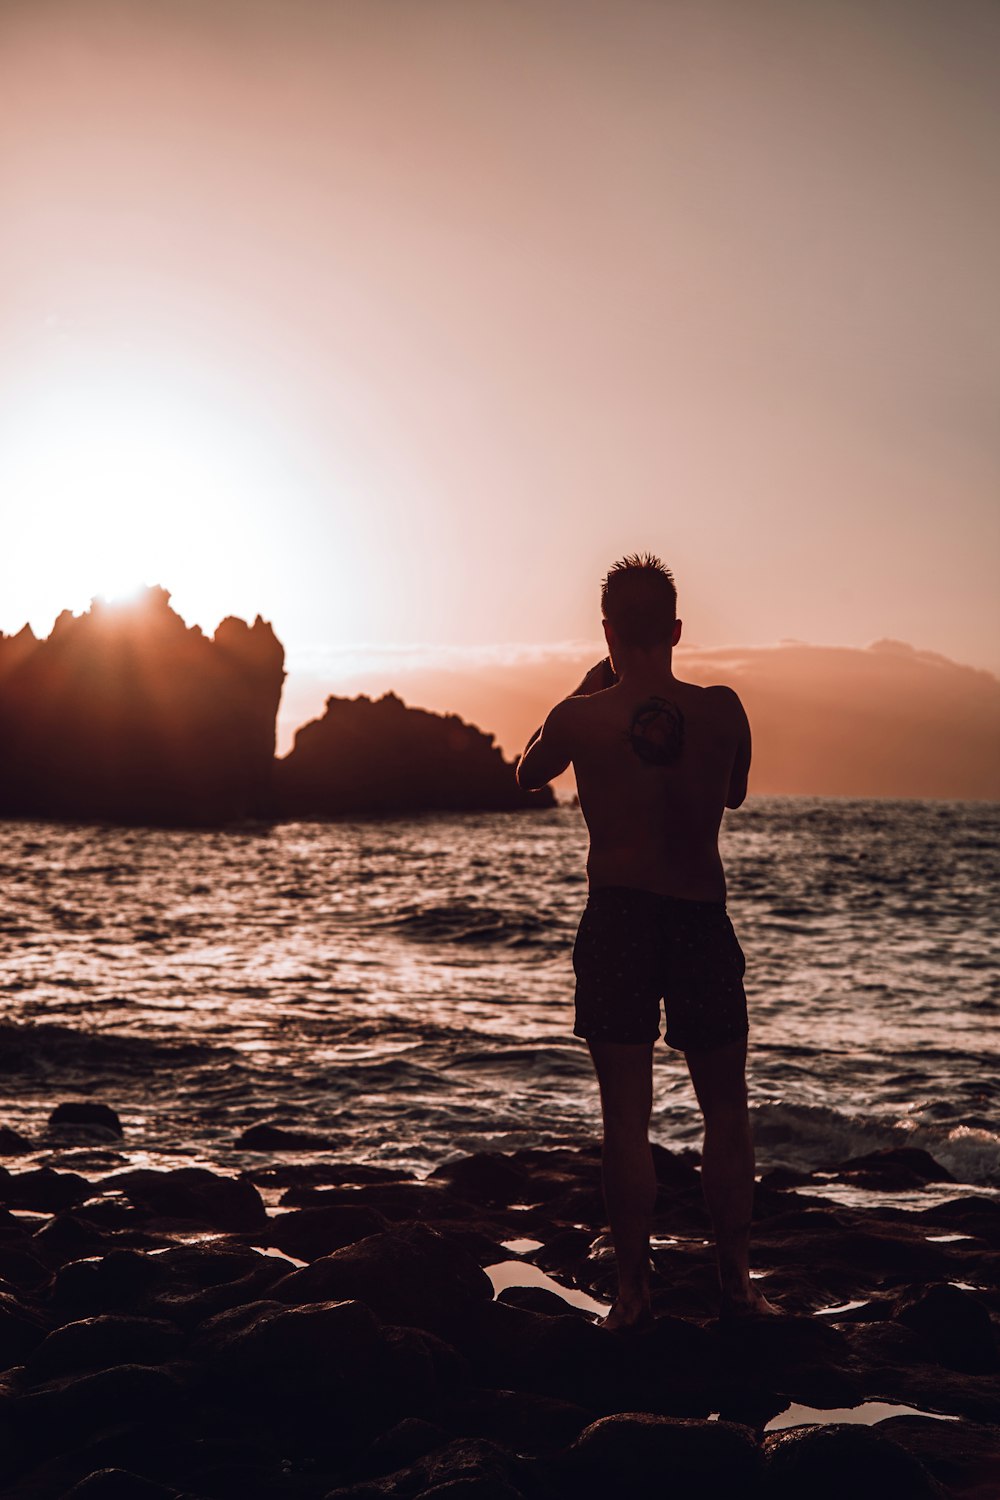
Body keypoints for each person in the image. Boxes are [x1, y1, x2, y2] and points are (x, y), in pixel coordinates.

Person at [516, 553, 777, 1329]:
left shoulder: (579, 716)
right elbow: (730, 793)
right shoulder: (724, 711)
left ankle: (632, 1298)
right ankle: (738, 1284)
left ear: (606, 631)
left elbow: (528, 773)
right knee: (725, 1112)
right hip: (700, 915)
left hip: (619, 916)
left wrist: (591, 689)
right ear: (675, 629)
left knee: (624, 1119)